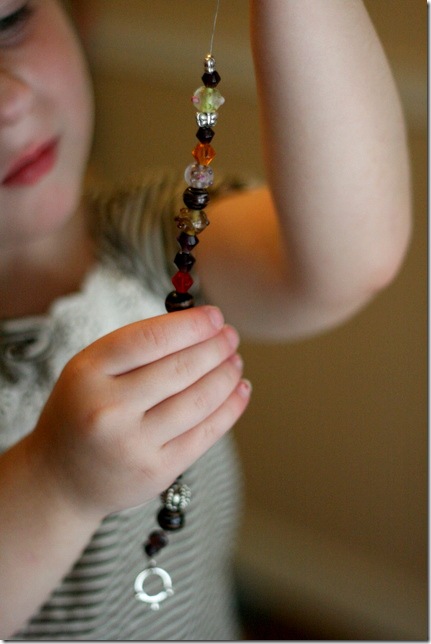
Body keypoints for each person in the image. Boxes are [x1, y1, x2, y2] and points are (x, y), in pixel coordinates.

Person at [0, 0, 411, 639]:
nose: (8, 101)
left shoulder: (144, 236)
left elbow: (348, 258)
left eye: (11, 21)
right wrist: (57, 483)